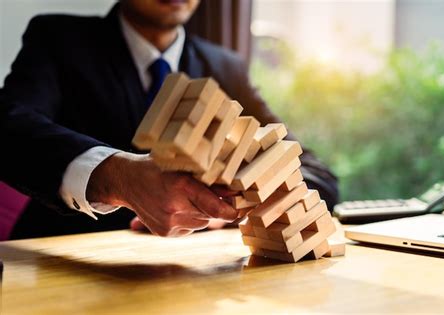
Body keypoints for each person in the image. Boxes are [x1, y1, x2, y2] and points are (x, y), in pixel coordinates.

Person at [0, 0, 338, 240]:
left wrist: (232, 208)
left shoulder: (225, 67)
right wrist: (116, 176)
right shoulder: (58, 38)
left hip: (187, 276)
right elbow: (8, 125)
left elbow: (312, 169)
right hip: (62, 266)